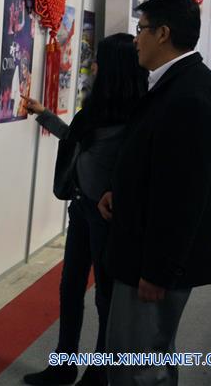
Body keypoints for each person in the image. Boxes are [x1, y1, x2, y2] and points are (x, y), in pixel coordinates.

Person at [99, 0, 211, 386]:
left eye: (140, 30)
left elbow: (182, 197)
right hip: (143, 250)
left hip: (151, 264)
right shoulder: (175, 84)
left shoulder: (189, 94)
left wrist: (157, 272)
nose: (135, 39)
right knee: (142, 355)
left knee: (137, 366)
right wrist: (121, 193)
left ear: (163, 33)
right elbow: (160, 167)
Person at [21, 34, 148, 386]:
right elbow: (78, 141)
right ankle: (63, 365)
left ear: (113, 68)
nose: (92, 66)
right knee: (70, 288)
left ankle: (100, 372)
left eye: (98, 61)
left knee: (106, 298)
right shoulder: (95, 108)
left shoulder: (139, 116)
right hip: (81, 209)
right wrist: (45, 115)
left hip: (109, 218)